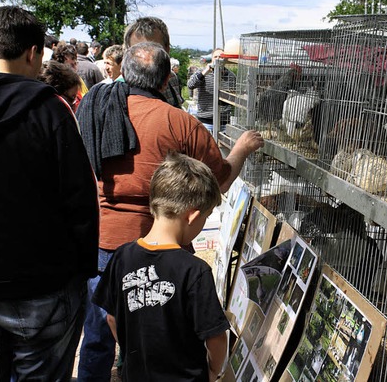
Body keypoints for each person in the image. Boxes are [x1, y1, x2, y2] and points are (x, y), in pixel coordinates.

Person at [76, 41, 263, 381]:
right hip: (164, 247)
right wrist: (241, 149)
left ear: (123, 73)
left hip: (103, 241)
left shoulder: (94, 110)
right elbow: (218, 181)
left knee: (98, 334)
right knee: (167, 332)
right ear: (165, 82)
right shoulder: (179, 122)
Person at [0, 5, 99, 381]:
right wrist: (81, 272)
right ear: (33, 53)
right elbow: (79, 200)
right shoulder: (50, 109)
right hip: (43, 286)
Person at [93, 152, 229, 381]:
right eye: (205, 217)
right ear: (192, 216)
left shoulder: (122, 257)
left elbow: (111, 318)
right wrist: (214, 370)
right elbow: (216, 337)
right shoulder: (195, 271)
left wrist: (132, 352)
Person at [123, 16, 183, 108]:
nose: (146, 55)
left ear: (167, 49)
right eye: (137, 50)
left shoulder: (172, 78)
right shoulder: (121, 89)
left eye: (153, 49)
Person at [187, 48, 236, 133]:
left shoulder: (231, 76)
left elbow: (233, 96)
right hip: (206, 121)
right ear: (212, 58)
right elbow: (190, 85)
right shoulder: (202, 72)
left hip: (224, 122)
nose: (218, 59)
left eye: (221, 57)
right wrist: (204, 73)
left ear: (225, 59)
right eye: (215, 56)